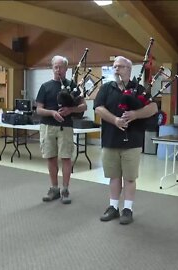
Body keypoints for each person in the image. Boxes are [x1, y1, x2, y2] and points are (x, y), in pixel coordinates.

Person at [94, 56, 158, 224]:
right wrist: (115, 120)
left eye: (120, 67)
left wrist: (136, 114)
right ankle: (113, 207)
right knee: (114, 176)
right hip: (110, 139)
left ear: (129, 70)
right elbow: (98, 108)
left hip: (132, 140)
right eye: (114, 66)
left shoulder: (139, 89)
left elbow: (153, 108)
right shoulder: (107, 88)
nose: (116, 69)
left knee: (129, 177)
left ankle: (127, 209)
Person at [36, 55, 87, 204]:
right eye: (55, 67)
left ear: (66, 68)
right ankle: (54, 188)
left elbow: (84, 106)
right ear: (52, 68)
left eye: (61, 67)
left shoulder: (73, 86)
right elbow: (39, 109)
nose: (58, 70)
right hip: (47, 126)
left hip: (66, 127)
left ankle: (65, 189)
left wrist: (71, 110)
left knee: (66, 157)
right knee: (50, 157)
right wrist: (52, 113)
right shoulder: (45, 87)